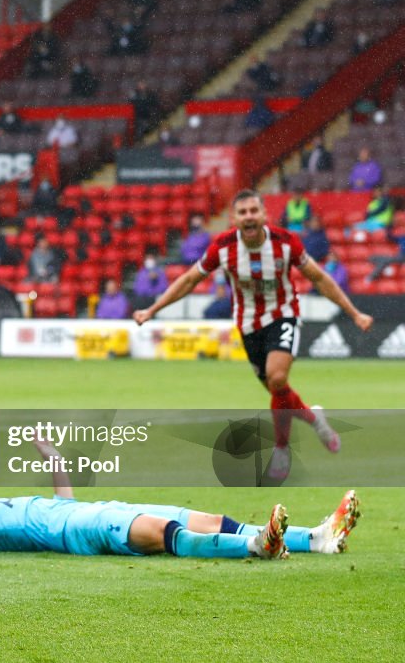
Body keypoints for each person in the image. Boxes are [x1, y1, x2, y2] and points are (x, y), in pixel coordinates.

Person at [134, 190, 374, 480]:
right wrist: (153, 309)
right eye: (242, 212)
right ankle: (315, 419)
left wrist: (355, 312)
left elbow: (320, 278)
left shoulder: (286, 243)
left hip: (283, 314)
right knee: (279, 393)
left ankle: (282, 449)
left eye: (253, 211)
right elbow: (188, 280)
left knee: (276, 377)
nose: (249, 216)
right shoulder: (222, 247)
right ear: (233, 219)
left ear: (264, 215)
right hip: (248, 326)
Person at [0, 411, 361, 559]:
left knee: (197, 518)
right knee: (162, 533)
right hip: (80, 532)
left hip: (81, 513)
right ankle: (255, 548)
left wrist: (56, 463)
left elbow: (60, 502)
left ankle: (314, 539)